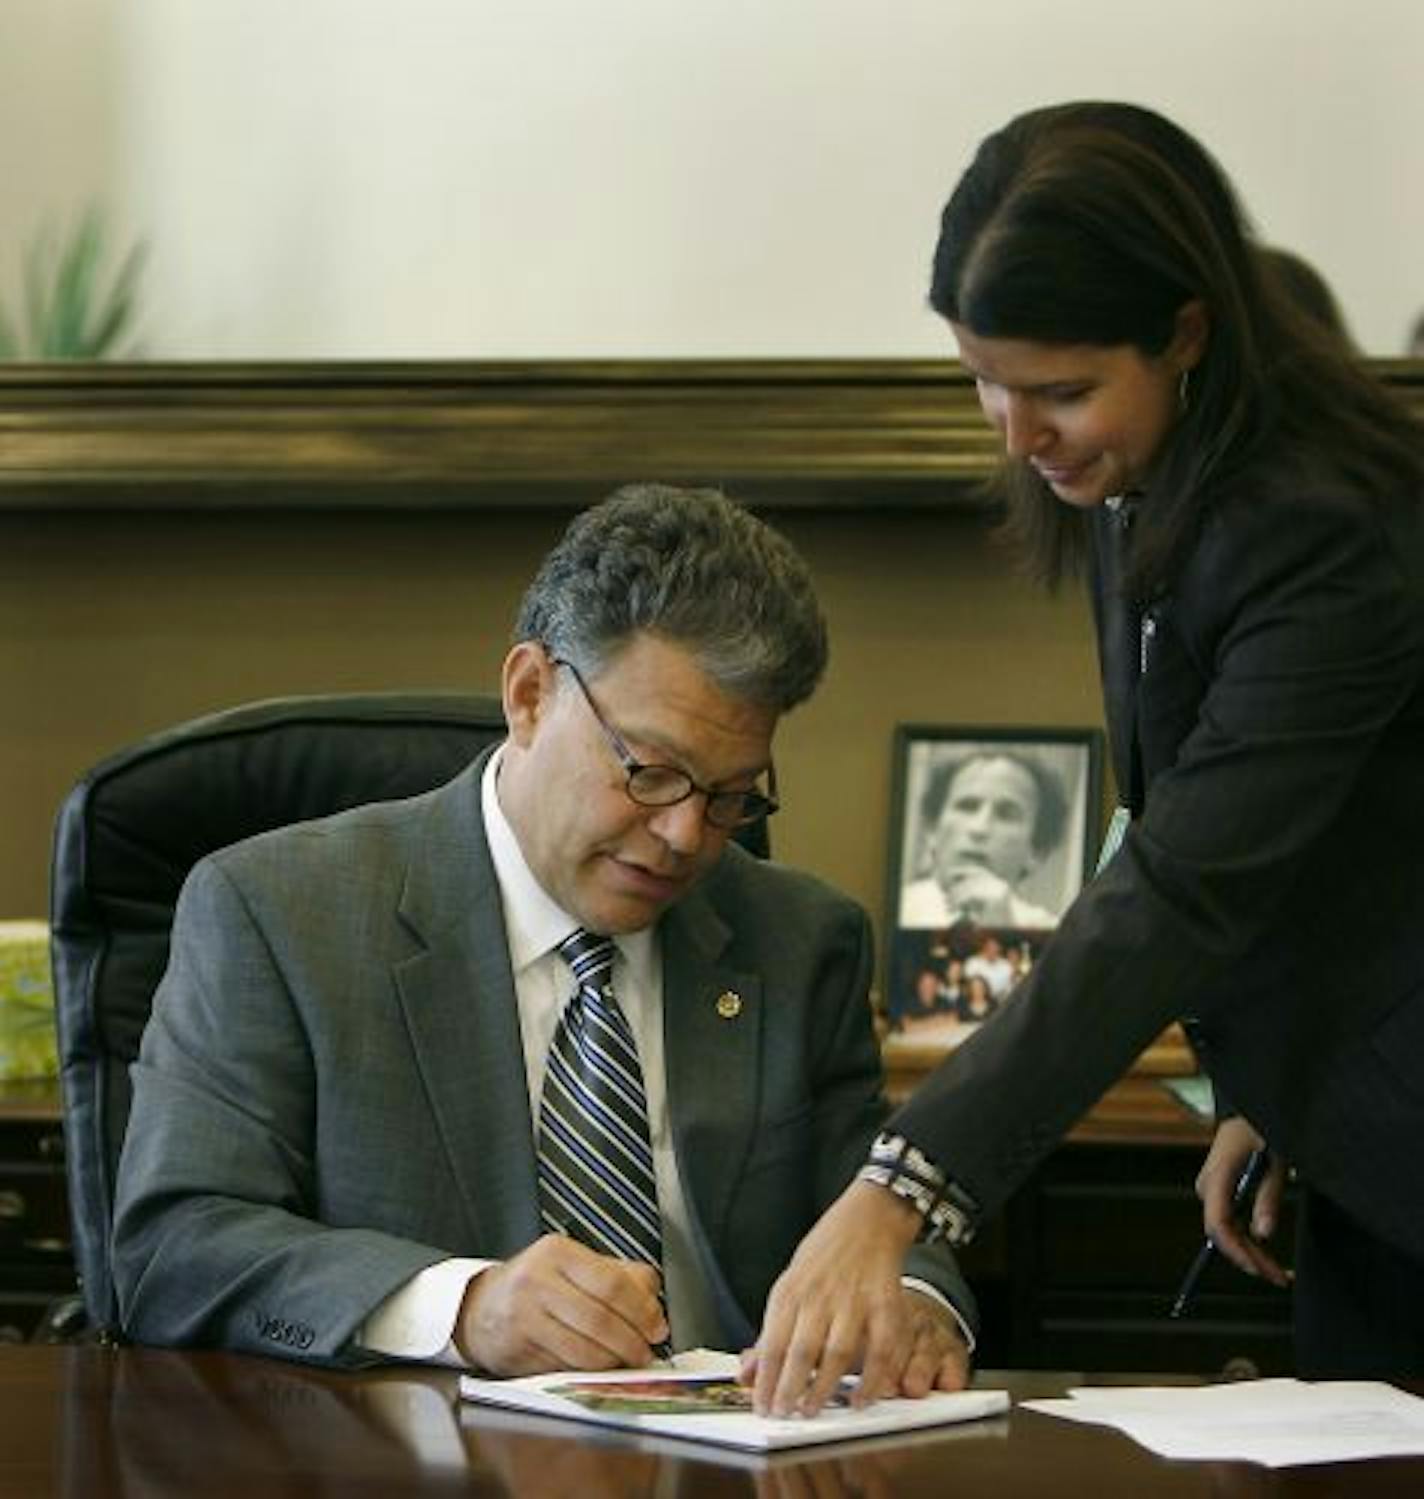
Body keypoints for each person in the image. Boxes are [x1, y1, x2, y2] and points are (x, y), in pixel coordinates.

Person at [751, 101, 1424, 1414]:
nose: (1015, 432)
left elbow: (1181, 879)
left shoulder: (1327, 526)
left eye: (1059, 389)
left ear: (1186, 333)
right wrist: (1273, 1084)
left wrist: (902, 1183)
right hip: (1357, 1139)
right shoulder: (1142, 468)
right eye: (985, 382)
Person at [111, 483, 974, 1387]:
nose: (686, 836)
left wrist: (915, 1303)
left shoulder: (804, 941)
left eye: (730, 796)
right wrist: (464, 1305)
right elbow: (173, 1244)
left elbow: (882, 1213)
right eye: (651, 772)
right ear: (528, 694)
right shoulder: (280, 912)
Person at [897, 748, 1068, 928]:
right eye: (967, 806)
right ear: (932, 831)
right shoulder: (896, 910)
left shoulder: (1054, 935)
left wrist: (1004, 932)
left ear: (1036, 852)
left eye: (1006, 814)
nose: (980, 829)